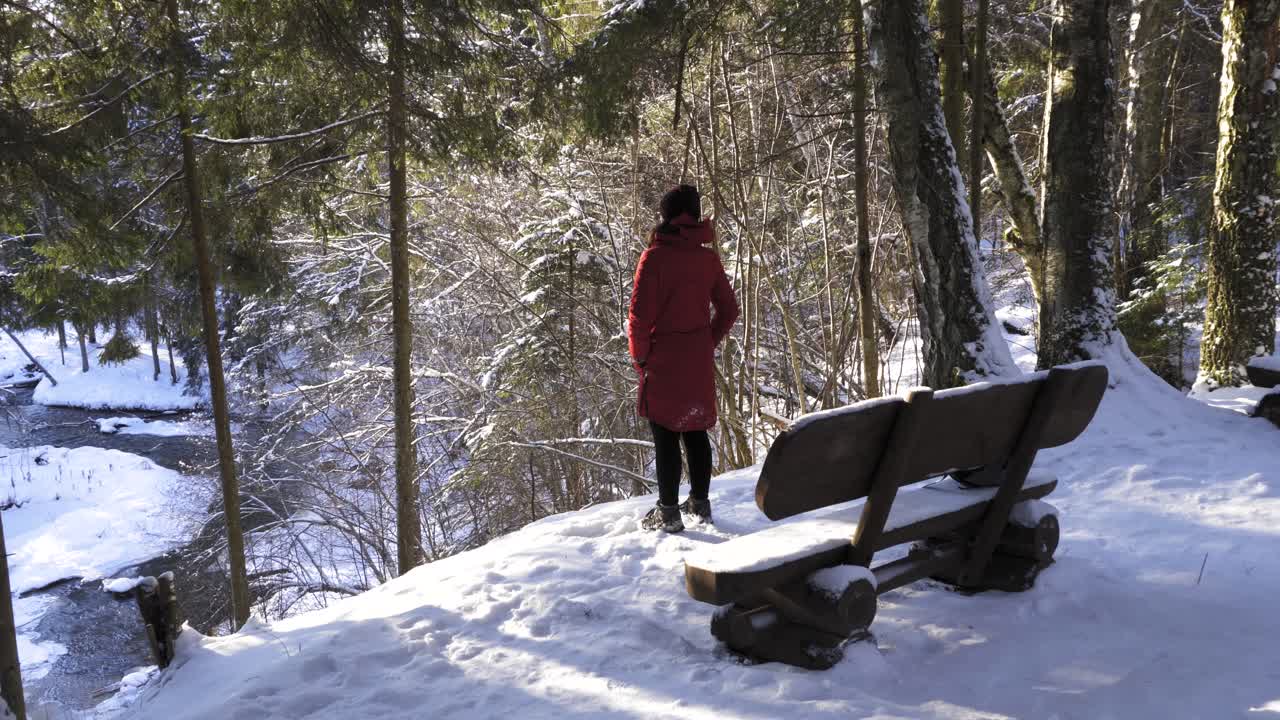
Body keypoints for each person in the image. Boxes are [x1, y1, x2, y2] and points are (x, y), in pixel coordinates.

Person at [628, 184, 739, 533]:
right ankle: (700, 504)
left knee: (665, 434)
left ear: (666, 216)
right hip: (696, 357)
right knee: (695, 429)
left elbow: (639, 319)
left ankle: (668, 512)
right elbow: (729, 310)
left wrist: (641, 358)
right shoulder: (707, 258)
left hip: (663, 359)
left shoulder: (655, 257)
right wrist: (707, 340)